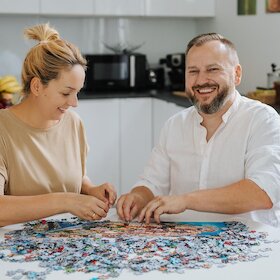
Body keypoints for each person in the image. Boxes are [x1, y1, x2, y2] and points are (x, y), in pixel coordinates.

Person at [117, 33, 280, 227]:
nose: (201, 80)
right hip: (184, 244)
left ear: (237, 74)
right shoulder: (174, 124)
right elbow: (151, 182)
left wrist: (186, 200)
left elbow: (262, 193)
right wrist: (137, 197)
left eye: (212, 69)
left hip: (251, 246)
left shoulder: (263, 119)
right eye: (193, 71)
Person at [0, 23, 116, 227]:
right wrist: (65, 201)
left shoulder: (73, 123)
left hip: (67, 245)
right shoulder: (3, 129)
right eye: (66, 93)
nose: (74, 103)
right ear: (36, 86)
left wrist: (90, 190)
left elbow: (74, 178)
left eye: (77, 92)